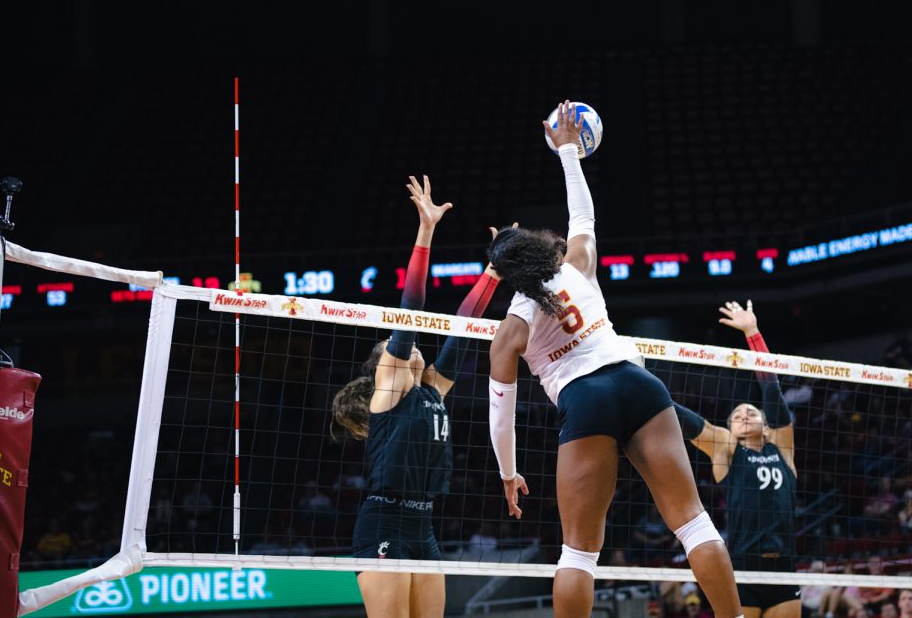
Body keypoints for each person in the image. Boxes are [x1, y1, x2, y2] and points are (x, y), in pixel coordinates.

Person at [485, 102, 742, 618]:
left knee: (579, 550)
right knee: (694, 523)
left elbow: (501, 414)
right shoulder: (576, 267)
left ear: (504, 275)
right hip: (638, 383)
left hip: (586, 400)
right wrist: (567, 154)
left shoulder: (510, 330)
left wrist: (508, 473)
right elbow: (583, 215)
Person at [331, 176, 503, 618]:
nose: (413, 345)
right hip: (383, 522)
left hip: (424, 523)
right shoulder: (389, 390)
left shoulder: (433, 391)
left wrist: (494, 272)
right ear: (386, 360)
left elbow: (464, 330)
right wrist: (426, 229)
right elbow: (410, 311)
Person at [670, 300, 800, 618]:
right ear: (730, 429)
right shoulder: (726, 450)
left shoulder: (782, 448)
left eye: (750, 412)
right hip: (742, 567)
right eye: (736, 415)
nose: (743, 414)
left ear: (766, 426)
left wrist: (753, 332)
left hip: (784, 567)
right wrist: (647, 389)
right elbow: (687, 421)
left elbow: (772, 391)